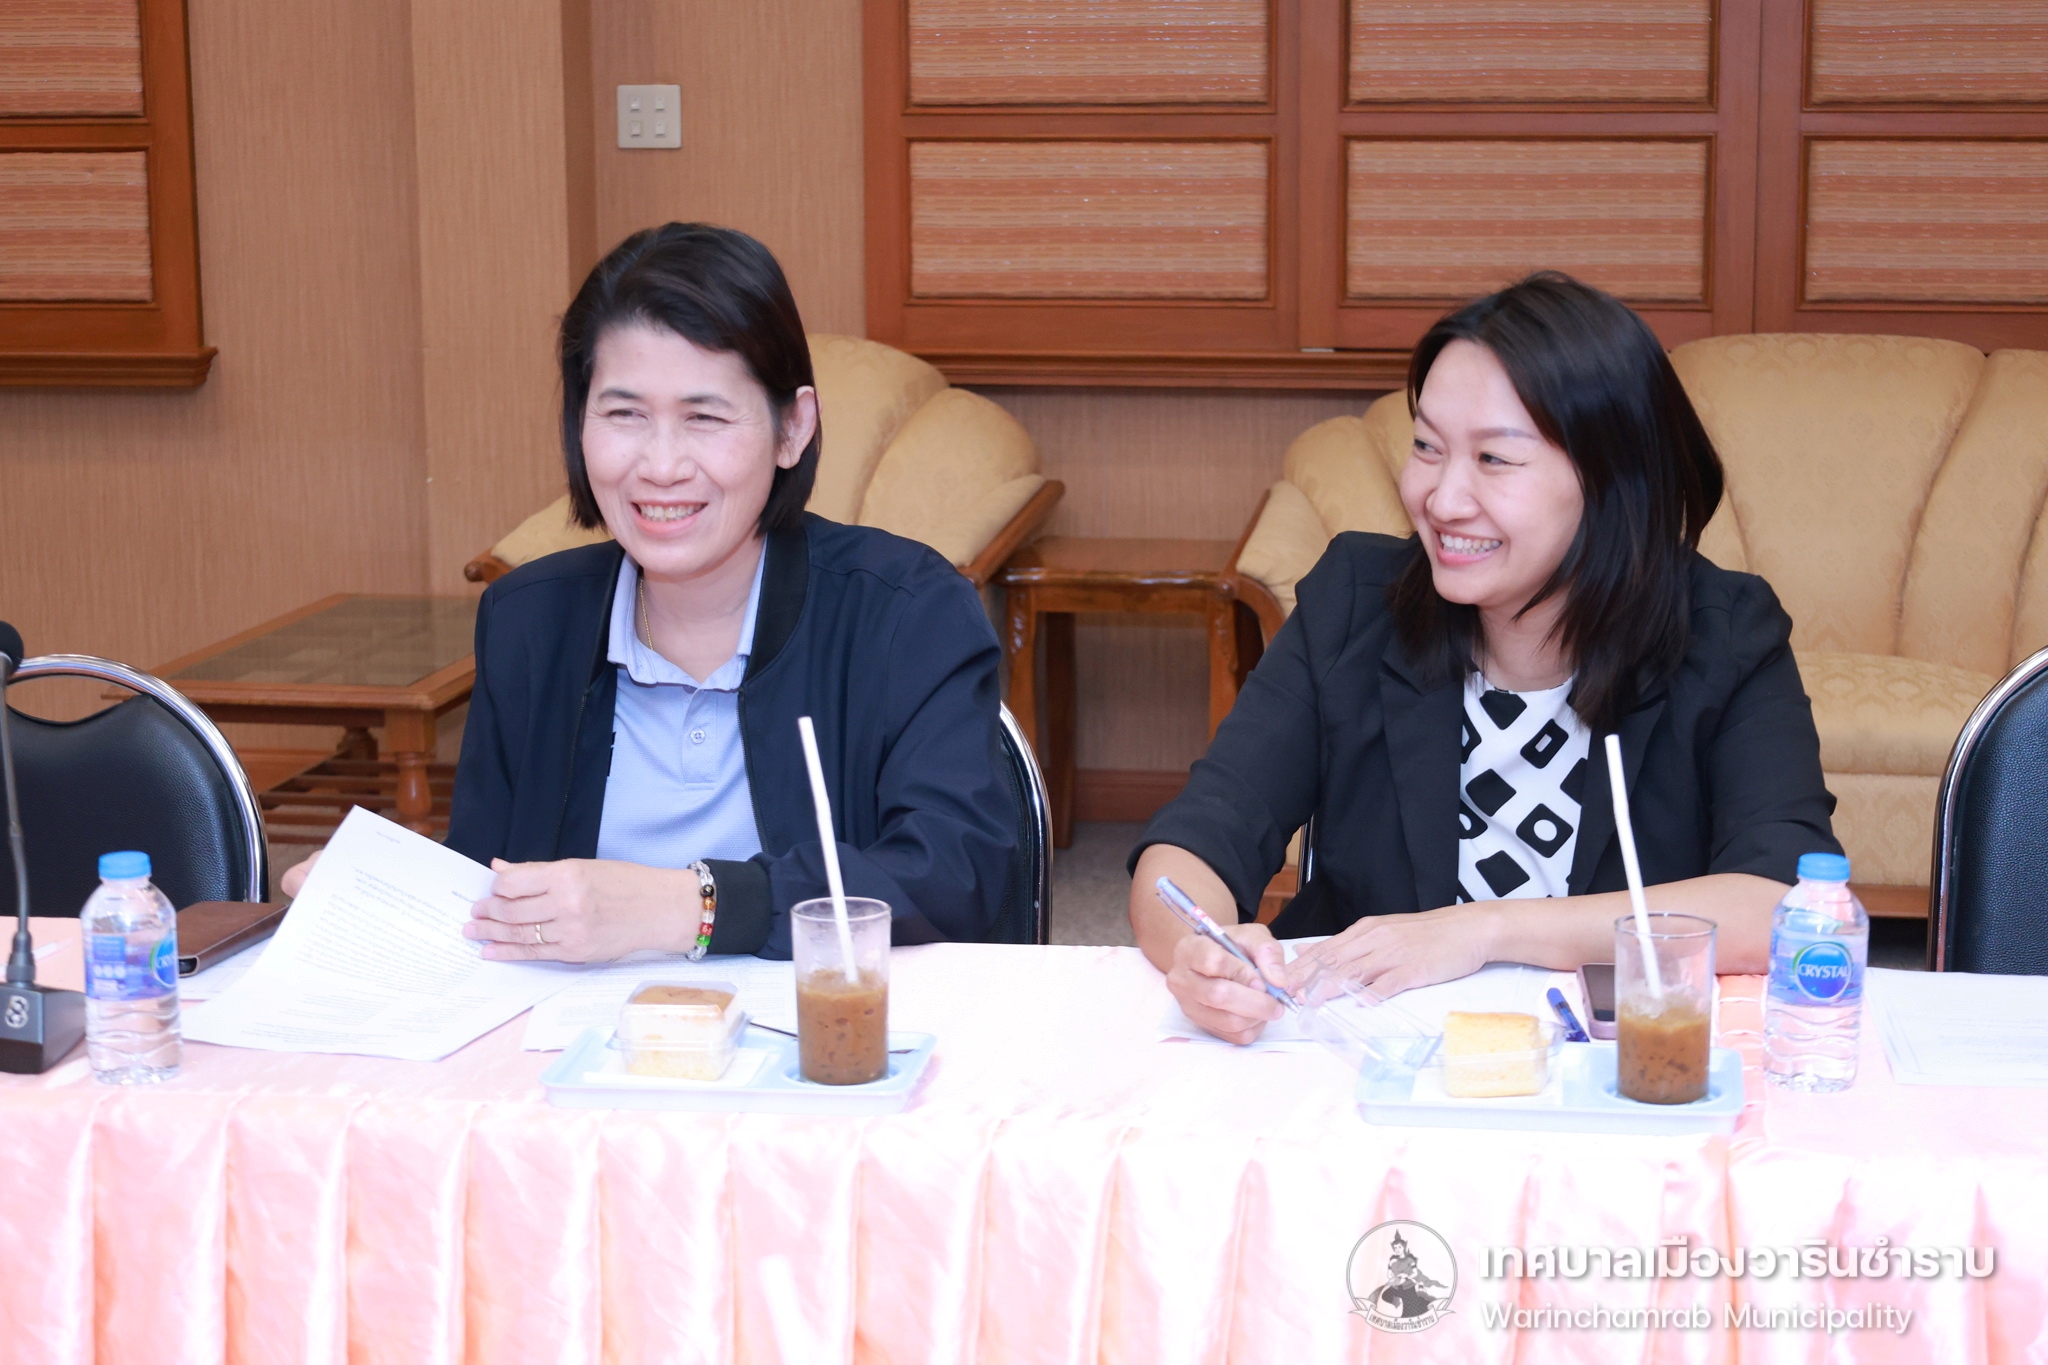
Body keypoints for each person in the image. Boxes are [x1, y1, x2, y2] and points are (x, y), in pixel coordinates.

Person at [1129, 272, 1840, 1044]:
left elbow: (1785, 902)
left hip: (1605, 1076)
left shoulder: (1723, 632)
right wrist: (1202, 953)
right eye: (1427, 448)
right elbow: (1189, 848)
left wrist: (1484, 928)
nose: (1442, 500)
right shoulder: (1355, 604)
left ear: (1612, 479)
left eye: (1494, 459)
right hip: (1368, 1063)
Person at [282, 222, 1015, 959]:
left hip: (819, 1025)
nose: (662, 467)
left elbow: (957, 873)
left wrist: (690, 906)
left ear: (793, 428)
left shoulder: (907, 611)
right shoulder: (530, 620)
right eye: (624, 414)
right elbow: (487, 877)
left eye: (705, 417)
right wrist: (383, 894)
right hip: (580, 1030)